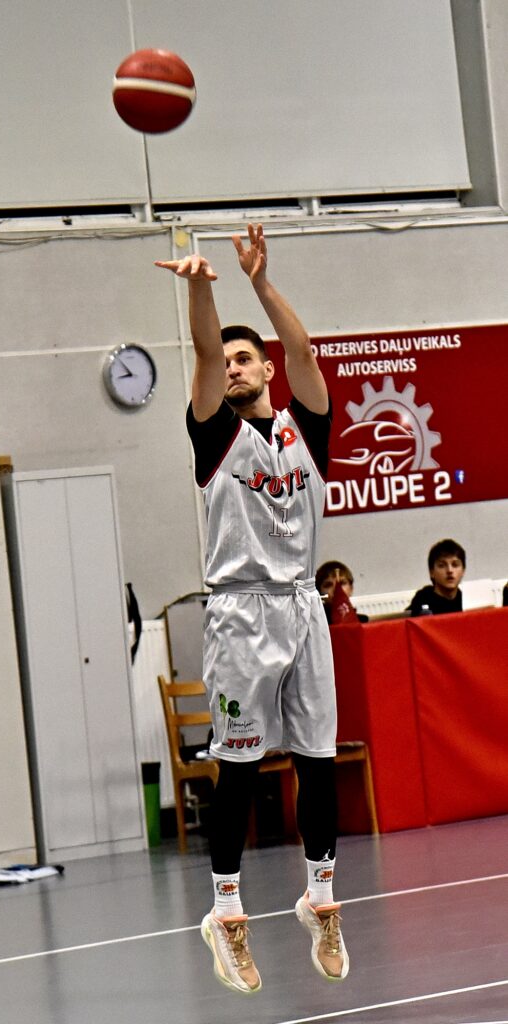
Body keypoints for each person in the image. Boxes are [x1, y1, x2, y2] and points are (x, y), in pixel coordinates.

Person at [155, 224, 348, 996]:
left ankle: (321, 899)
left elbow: (304, 351)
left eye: (246, 358)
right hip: (241, 614)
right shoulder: (215, 436)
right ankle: (227, 914)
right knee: (237, 770)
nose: (233, 366)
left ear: (267, 368)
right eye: (227, 361)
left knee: (318, 762)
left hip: (303, 607)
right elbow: (204, 354)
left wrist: (261, 284)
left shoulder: (308, 428)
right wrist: (202, 288)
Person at [408, 538, 466, 616]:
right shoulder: (423, 600)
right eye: (442, 565)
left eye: (455, 565)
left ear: (463, 571)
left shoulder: (465, 599)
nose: (449, 570)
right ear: (431, 572)